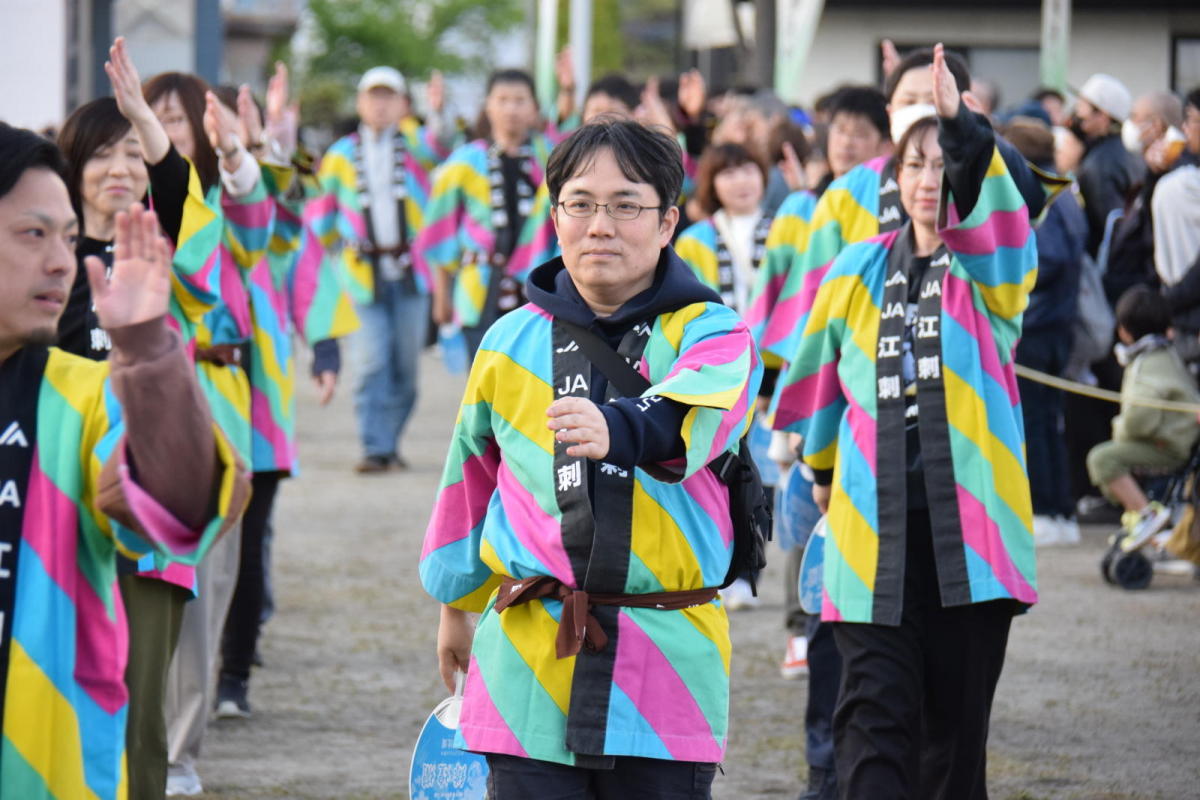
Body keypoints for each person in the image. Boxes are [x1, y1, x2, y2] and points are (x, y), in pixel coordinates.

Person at [421, 117, 761, 798]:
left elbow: (687, 418)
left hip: (665, 666)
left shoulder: (716, 333)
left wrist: (618, 428)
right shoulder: (507, 341)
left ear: (668, 223)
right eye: (581, 203)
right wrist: (454, 604)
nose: (600, 224)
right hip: (526, 658)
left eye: (626, 204)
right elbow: (470, 479)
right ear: (555, 217)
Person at [778, 45, 1039, 800]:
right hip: (870, 536)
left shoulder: (995, 274)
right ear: (895, 179)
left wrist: (960, 127)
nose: (930, 180)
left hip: (973, 542)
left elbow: (998, 214)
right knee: (869, 727)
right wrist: (821, 471)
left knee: (953, 749)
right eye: (914, 164)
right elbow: (822, 389)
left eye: (943, 165)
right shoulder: (854, 268)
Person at [0, 122, 248, 800]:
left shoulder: (83, 396)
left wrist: (148, 355)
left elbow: (180, 507)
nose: (59, 260)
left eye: (65, 237)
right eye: (33, 234)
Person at [214, 66, 360, 721]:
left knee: (250, 534)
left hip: (258, 392)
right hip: (188, 387)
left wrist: (278, 141)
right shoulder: (166, 196)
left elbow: (301, 215)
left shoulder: (266, 200)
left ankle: (234, 668)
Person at [312, 65, 455, 473]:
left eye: (389, 96)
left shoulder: (415, 146)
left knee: (406, 366)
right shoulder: (339, 155)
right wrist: (317, 274)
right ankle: (374, 446)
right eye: (373, 96)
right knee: (372, 360)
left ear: (402, 104)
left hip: (411, 270)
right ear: (360, 102)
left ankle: (389, 442)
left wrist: (438, 111)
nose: (380, 104)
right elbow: (321, 217)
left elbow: (444, 147)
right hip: (359, 273)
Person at [422, 69, 560, 359]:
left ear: (535, 106)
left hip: (540, 286)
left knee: (536, 382)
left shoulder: (552, 157)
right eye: (503, 99)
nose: (511, 108)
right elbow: (441, 231)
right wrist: (441, 296)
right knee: (483, 383)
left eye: (520, 100)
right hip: (478, 288)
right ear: (488, 105)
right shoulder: (464, 161)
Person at [1004, 119, 1088, 546]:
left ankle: (1045, 510)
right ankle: (1060, 510)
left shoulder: (1043, 195)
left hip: (1036, 328)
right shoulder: (1067, 193)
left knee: (1035, 423)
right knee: (1048, 422)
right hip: (1058, 327)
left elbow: (1048, 257)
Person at [1087, 287, 1200, 551]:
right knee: (1109, 456)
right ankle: (1141, 515)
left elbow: (1139, 418)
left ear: (1124, 330)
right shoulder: (1166, 354)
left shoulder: (1146, 362)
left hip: (1170, 446)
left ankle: (1146, 514)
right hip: (1179, 440)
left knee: (1102, 458)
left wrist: (1119, 432)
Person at [1068, 73, 1139, 257]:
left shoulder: (1100, 165)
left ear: (1103, 117)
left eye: (1083, 105)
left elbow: (1111, 231)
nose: (1076, 110)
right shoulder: (1127, 150)